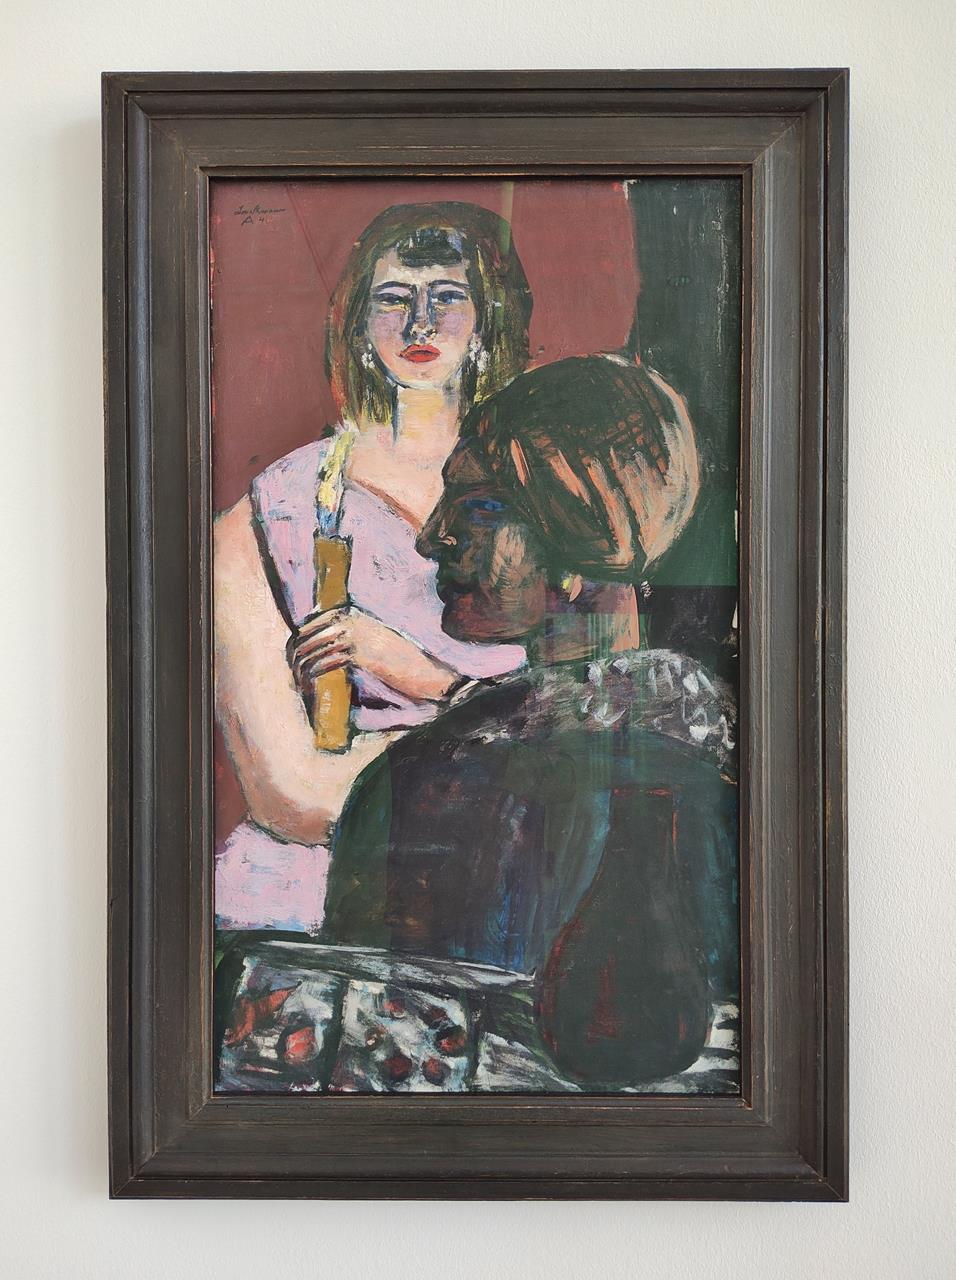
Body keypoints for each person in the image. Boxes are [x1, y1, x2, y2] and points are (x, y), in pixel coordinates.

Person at [321, 354, 738, 1088]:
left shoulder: (418, 786)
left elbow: (368, 1054)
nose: (431, 536)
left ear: (583, 537)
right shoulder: (737, 780)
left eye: (479, 506)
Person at [214, 202, 532, 934]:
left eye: (446, 297)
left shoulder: (546, 491)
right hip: (314, 895)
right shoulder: (269, 514)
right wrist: (500, 748)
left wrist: (417, 673)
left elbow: (587, 753)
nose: (420, 326)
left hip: (519, 889)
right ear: (357, 323)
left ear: (487, 319)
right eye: (394, 299)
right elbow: (291, 794)